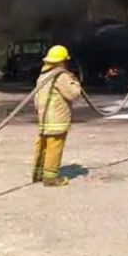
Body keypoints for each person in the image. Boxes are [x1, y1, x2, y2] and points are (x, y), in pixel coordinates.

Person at [33, 45, 81, 187]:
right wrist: (75, 82)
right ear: (61, 61)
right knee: (55, 147)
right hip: (57, 119)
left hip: (44, 117)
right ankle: (51, 179)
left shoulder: (42, 76)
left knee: (43, 145)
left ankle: (39, 173)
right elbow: (73, 94)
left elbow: (36, 98)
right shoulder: (61, 76)